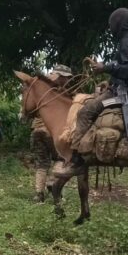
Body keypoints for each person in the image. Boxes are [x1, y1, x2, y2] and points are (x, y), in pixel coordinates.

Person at [68, 8, 128, 168]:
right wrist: (110, 82)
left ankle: (75, 157)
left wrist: (106, 68)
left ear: (119, 24)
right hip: (124, 87)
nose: (111, 28)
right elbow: (124, 68)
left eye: (112, 24)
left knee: (85, 112)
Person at [31, 65, 73, 202]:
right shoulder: (61, 92)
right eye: (66, 78)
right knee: (62, 159)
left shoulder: (41, 89)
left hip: (36, 131)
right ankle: (53, 185)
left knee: (41, 163)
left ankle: (39, 194)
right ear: (62, 77)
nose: (68, 81)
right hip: (53, 132)